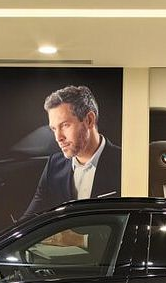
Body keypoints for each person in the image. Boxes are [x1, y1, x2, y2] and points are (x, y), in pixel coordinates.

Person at [20, 85, 122, 220]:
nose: (58, 137)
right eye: (54, 129)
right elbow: (29, 220)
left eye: (65, 125)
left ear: (89, 120)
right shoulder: (53, 166)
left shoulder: (123, 163)